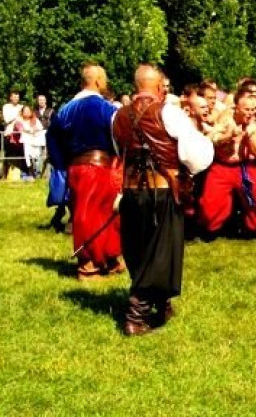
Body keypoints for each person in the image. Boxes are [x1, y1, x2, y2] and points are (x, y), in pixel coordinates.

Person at [112, 64, 213, 336]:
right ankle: (136, 315)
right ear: (158, 87)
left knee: (140, 250)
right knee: (160, 254)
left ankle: (161, 304)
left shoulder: (117, 116)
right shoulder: (168, 112)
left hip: (132, 193)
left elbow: (118, 150)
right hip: (162, 191)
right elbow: (196, 156)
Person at [46, 64, 123, 280]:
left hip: (75, 167)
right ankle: (88, 266)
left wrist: (62, 165)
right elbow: (119, 135)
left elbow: (52, 138)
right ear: (98, 81)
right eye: (104, 79)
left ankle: (108, 259)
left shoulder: (65, 109)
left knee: (93, 212)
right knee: (94, 215)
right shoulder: (105, 108)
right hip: (99, 167)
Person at [198, 88, 256, 240]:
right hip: (221, 166)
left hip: (243, 166)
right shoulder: (227, 119)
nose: (250, 113)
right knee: (210, 205)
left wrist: (254, 137)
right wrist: (229, 136)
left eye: (253, 110)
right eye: (247, 110)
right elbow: (212, 138)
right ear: (237, 109)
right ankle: (210, 229)